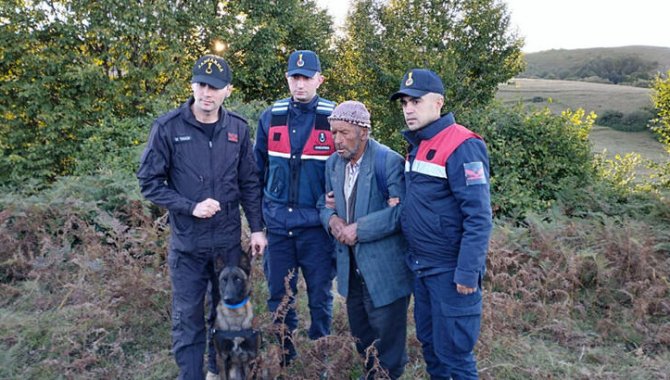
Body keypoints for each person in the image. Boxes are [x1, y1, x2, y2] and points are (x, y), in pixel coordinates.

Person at [137, 54, 267, 380]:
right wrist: (188, 205)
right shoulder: (167, 128)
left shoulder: (237, 128)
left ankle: (215, 371)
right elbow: (149, 182)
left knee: (225, 316)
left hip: (227, 245)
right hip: (188, 246)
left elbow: (249, 182)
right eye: (202, 85)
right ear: (192, 85)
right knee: (188, 318)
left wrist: (257, 229)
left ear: (228, 91)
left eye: (215, 87)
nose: (207, 93)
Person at [390, 69, 493, 379]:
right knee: (431, 347)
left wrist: (467, 272)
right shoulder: (417, 144)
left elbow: (479, 216)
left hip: (450, 273)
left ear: (438, 103)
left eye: (416, 101)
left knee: (456, 357)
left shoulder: (462, 145)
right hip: (422, 267)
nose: (408, 109)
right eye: (404, 102)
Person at [316, 101, 414, 379]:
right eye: (333, 132)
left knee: (389, 344)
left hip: (384, 273)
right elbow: (324, 204)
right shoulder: (333, 164)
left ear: (363, 131)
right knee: (362, 336)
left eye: (343, 132)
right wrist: (331, 220)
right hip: (351, 272)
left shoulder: (389, 161)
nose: (336, 140)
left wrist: (359, 229)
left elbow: (400, 212)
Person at [254, 50, 336, 364]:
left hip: (316, 229)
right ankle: (286, 355)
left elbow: (349, 169)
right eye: (294, 77)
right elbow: (255, 172)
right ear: (288, 79)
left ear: (319, 79)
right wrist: (258, 225)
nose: (300, 84)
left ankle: (321, 359)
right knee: (278, 296)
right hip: (277, 227)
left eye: (306, 77)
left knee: (320, 297)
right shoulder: (270, 116)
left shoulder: (333, 117)